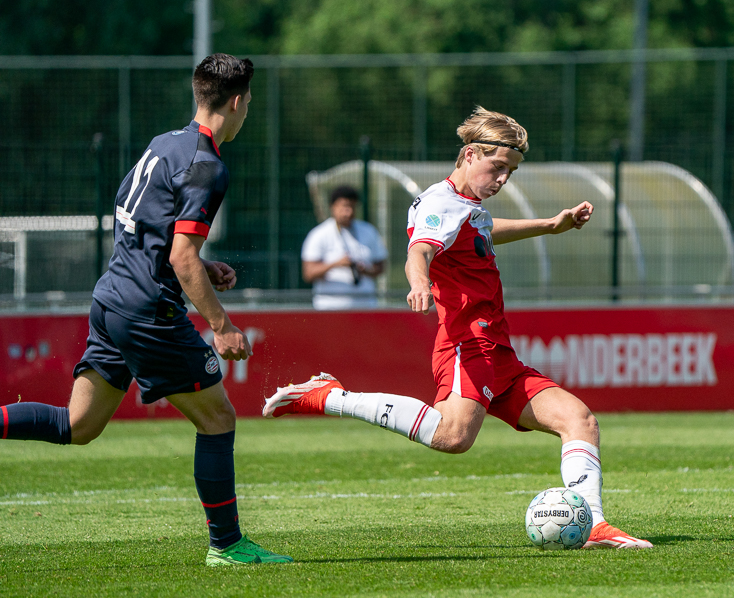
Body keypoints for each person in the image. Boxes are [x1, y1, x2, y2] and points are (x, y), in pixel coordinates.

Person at [265, 106, 653, 549]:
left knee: (579, 420)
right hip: (467, 345)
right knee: (452, 437)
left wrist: (549, 225)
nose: (504, 179)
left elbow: (483, 229)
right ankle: (329, 396)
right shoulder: (441, 203)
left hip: (498, 352)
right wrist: (419, 284)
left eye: (511, 171)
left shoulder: (466, 206)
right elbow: (419, 251)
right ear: (470, 154)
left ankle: (594, 526)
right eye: (498, 167)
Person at [0, 54, 292, 566]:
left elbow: (148, 230)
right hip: (147, 310)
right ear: (239, 101)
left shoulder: (164, 144)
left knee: (80, 424)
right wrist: (221, 325)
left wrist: (205, 262)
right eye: (250, 104)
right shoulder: (208, 166)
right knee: (219, 418)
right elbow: (179, 256)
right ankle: (226, 545)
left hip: (112, 296)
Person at [301, 184, 388, 310]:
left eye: (352, 207)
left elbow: (380, 267)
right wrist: (336, 264)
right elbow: (308, 273)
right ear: (332, 207)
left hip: (365, 307)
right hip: (330, 308)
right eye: (344, 206)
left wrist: (364, 270)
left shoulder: (368, 231)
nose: (349, 212)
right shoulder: (319, 234)